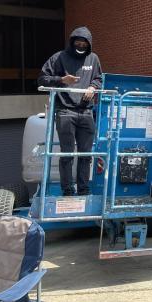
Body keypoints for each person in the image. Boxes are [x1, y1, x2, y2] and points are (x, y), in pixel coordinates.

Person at [38, 26, 102, 196]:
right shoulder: (59, 57)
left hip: (86, 112)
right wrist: (61, 79)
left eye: (84, 43)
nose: (81, 46)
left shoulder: (93, 58)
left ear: (88, 45)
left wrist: (93, 87)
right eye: (78, 42)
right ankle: (67, 191)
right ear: (72, 41)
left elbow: (98, 78)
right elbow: (42, 78)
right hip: (65, 111)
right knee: (67, 154)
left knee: (86, 154)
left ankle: (83, 190)